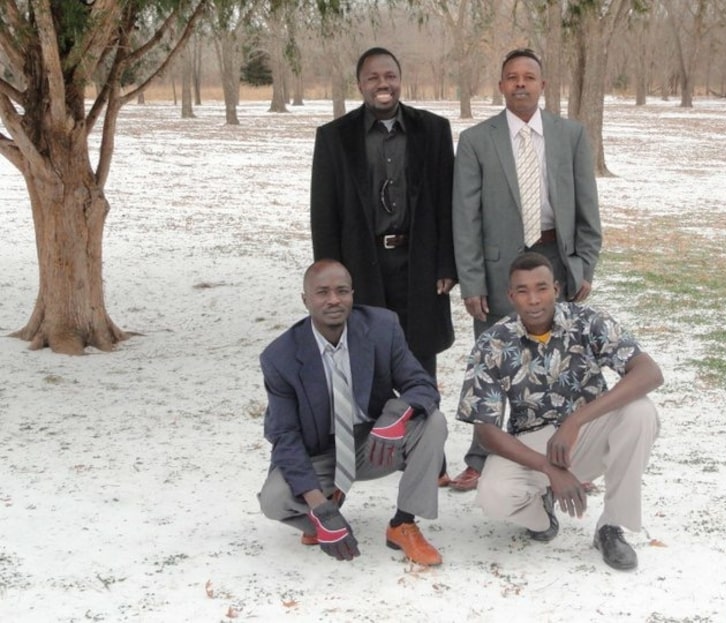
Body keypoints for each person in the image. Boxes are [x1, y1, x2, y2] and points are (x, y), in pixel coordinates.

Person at [450, 48, 602, 491]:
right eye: (512, 77)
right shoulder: (478, 140)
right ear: (501, 86)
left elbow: (588, 207)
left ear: (542, 84)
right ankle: (481, 459)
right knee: (493, 363)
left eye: (529, 77)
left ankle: (568, 455)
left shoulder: (570, 135)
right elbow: (466, 217)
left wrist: (583, 265)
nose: (521, 84)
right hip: (499, 271)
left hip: (555, 259)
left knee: (562, 362)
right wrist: (472, 281)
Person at [456, 252, 662, 570]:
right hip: (532, 443)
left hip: (588, 431)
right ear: (510, 296)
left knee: (640, 412)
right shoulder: (493, 343)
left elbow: (649, 373)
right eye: (522, 291)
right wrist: (548, 469)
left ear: (556, 288)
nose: (534, 300)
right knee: (493, 494)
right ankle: (542, 515)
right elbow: (486, 431)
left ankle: (611, 526)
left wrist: (576, 421)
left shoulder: (589, 321)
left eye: (541, 288)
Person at [257, 260, 447, 566]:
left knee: (433, 423)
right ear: (305, 299)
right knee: (273, 500)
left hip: (376, 443)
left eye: (342, 291)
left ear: (352, 294)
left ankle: (403, 523)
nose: (333, 299)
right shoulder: (280, 358)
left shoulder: (382, 327)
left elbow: (422, 386)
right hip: (320, 453)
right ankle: (324, 519)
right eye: (322, 292)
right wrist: (319, 506)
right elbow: (284, 436)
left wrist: (394, 416)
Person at [310, 46, 456, 381]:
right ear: (360, 85)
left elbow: (447, 203)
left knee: (419, 364)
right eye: (373, 77)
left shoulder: (433, 130)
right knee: (367, 359)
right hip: (362, 263)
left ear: (400, 80)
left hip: (419, 264)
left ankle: (421, 427)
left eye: (390, 76)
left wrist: (447, 264)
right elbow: (324, 215)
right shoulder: (334, 138)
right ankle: (374, 432)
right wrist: (330, 278)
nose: (383, 83)